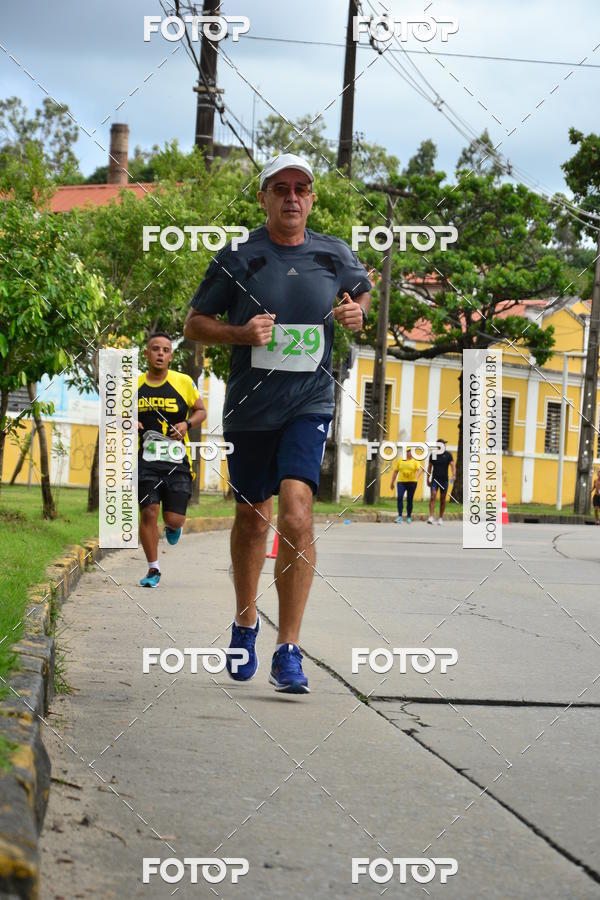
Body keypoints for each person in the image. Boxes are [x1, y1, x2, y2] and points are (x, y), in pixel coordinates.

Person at [183, 152, 371, 693]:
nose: (292, 197)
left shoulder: (334, 252)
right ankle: (246, 621)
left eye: (302, 188)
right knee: (251, 516)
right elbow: (195, 323)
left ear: (312, 198)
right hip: (250, 407)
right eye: (280, 188)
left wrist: (357, 311)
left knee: (296, 514)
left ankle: (288, 648)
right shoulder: (238, 255)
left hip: (309, 403)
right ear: (263, 197)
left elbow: (359, 295)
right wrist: (240, 335)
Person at [137, 332, 207, 587]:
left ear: (171, 356)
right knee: (148, 512)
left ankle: (173, 526)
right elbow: (119, 415)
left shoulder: (184, 381)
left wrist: (187, 424)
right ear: (147, 354)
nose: (160, 353)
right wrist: (128, 420)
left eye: (165, 350)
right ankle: (153, 569)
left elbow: (201, 410)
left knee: (173, 519)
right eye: (155, 349)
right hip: (146, 461)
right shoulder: (133, 385)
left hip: (177, 461)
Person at [427, 438, 456, 525]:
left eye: (444, 444)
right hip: (435, 480)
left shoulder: (448, 455)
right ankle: (431, 517)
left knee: (443, 499)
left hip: (444, 480)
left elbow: (452, 466)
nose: (443, 445)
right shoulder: (433, 455)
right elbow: (429, 467)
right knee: (433, 496)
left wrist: (454, 475)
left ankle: (440, 518)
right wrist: (427, 478)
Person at [390, 447, 422, 523]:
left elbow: (420, 469)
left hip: (412, 482)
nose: (410, 453)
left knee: (409, 499)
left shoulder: (415, 461)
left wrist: (417, 476)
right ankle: (400, 516)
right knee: (400, 497)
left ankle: (408, 516)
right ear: (406, 452)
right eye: (409, 451)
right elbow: (395, 471)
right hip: (401, 482)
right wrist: (392, 482)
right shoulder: (400, 460)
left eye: (411, 451)